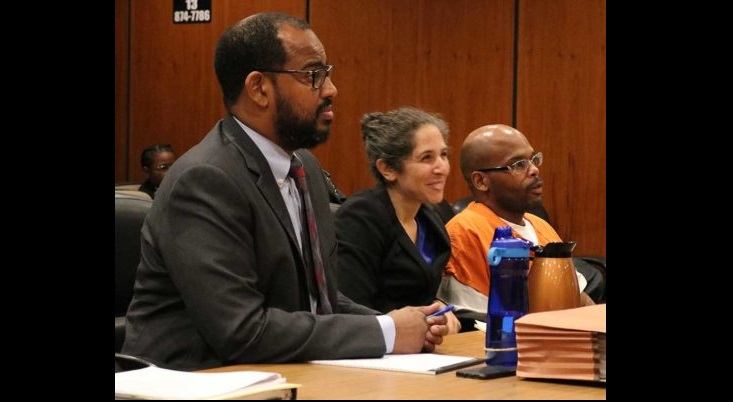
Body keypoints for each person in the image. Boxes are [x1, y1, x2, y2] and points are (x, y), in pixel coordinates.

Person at [122, 12, 447, 371]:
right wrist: (385, 332)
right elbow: (240, 330)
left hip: (281, 373)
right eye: (313, 75)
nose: (331, 89)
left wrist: (404, 324)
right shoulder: (205, 180)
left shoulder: (304, 167)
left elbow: (318, 301)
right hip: (193, 380)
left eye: (327, 73)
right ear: (259, 88)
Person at [437, 124, 595, 321]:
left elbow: (580, 302)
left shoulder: (540, 225)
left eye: (533, 159)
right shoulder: (464, 233)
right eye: (519, 164)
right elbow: (477, 321)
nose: (534, 170)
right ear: (481, 181)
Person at [335, 107, 461, 334]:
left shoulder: (435, 214)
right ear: (388, 169)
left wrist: (442, 311)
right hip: (372, 346)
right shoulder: (359, 218)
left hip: (421, 347)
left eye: (443, 155)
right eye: (426, 158)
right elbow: (348, 307)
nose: (441, 168)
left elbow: (423, 295)